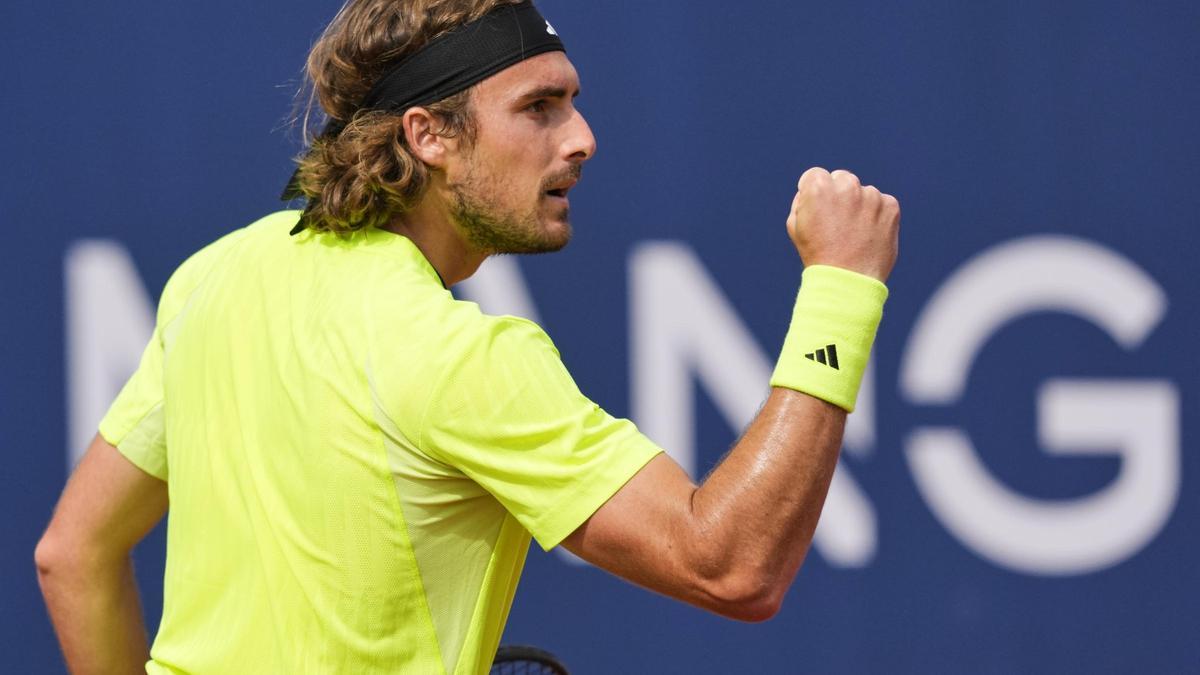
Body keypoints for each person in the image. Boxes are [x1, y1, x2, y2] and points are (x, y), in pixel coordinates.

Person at [34, 0, 900, 673]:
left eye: (574, 102)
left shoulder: (213, 278)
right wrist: (841, 289)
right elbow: (731, 565)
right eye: (541, 107)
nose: (584, 139)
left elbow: (72, 553)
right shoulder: (460, 358)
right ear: (430, 135)